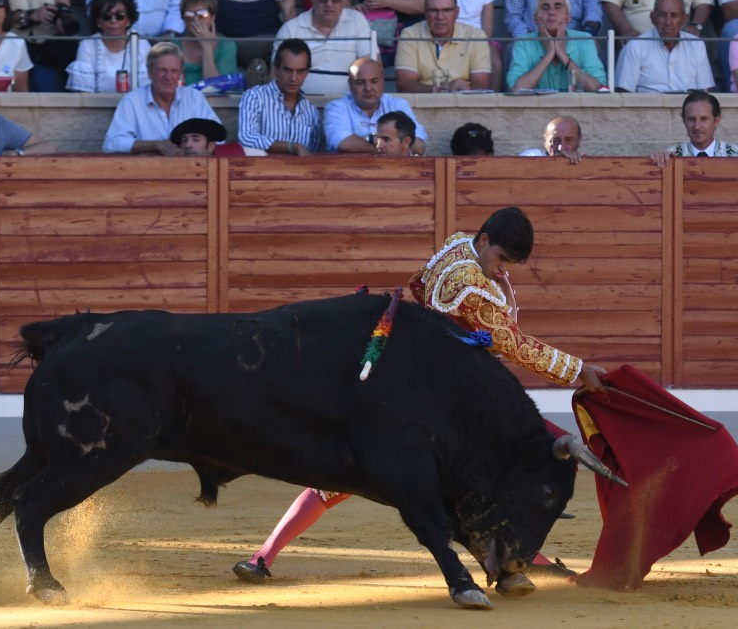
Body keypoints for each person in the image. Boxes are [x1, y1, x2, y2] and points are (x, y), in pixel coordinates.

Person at [231, 206, 608, 585]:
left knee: (341, 476)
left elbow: (419, 284)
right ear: (484, 240)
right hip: (446, 398)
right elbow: (512, 344)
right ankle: (517, 561)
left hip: (408, 376)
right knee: (508, 462)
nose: (502, 269)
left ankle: (263, 556)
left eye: (510, 264)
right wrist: (577, 370)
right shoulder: (473, 285)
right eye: (501, 259)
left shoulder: (457, 245)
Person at [102, 42, 222, 154]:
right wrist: (156, 145)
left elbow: (219, 139)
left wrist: (190, 150)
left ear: (181, 74)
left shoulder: (193, 97)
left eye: (174, 71)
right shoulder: (133, 100)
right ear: (149, 72)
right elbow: (111, 144)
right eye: (162, 70)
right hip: (149, 171)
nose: (168, 77)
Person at [274, 0, 372, 96]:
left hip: (348, 107)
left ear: (344, 1)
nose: (329, 4)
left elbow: (372, 69)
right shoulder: (290, 29)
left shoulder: (357, 21)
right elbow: (276, 77)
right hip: (300, 105)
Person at [0, 0, 75, 92]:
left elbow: (65, 8)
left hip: (50, 41)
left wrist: (59, 20)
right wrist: (30, 15)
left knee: (68, 47)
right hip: (14, 39)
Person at [395, 0, 491, 92]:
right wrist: (442, 89)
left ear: (456, 12)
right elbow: (404, 84)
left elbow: (482, 85)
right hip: (422, 104)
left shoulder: (476, 36)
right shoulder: (410, 34)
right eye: (434, 10)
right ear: (425, 13)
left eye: (446, 10)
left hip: (463, 103)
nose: (440, 17)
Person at [507, 0, 606, 92]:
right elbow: (516, 90)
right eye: (545, 8)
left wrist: (562, 55)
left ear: (568, 18)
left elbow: (600, 88)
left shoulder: (584, 40)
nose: (551, 12)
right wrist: (549, 54)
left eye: (558, 7)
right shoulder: (523, 42)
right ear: (536, 18)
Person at [615, 0, 715, 93]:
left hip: (689, 107)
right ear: (653, 18)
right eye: (662, 15)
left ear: (683, 19)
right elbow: (623, 94)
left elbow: (705, 91)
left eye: (674, 15)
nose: (668, 22)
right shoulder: (635, 47)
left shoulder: (696, 45)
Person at [323, 56, 427, 154]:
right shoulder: (336, 108)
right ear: (350, 84)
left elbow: (418, 146)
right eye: (360, 82)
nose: (368, 88)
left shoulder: (398, 105)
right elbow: (344, 144)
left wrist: (367, 142)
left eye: (374, 81)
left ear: (383, 81)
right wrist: (389, 148)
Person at [649, 90, 738, 168]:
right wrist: (656, 159)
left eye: (704, 119)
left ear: (716, 121)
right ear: (684, 121)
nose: (697, 126)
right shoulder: (670, 156)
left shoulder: (736, 154)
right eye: (691, 119)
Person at [237, 38, 321, 155]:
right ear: (276, 69)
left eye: (300, 71)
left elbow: (311, 152)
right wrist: (292, 147)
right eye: (288, 70)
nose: (293, 78)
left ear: (307, 73)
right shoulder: (255, 97)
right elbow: (247, 138)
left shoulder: (311, 112)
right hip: (261, 171)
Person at [66, 0, 151, 93]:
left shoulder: (142, 45)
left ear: (128, 20)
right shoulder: (87, 45)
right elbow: (84, 94)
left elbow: (147, 91)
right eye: (107, 16)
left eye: (120, 16)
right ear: (98, 21)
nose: (113, 20)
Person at [444, 0, 503, 92]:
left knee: (495, 61)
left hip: (479, 39)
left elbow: (488, 28)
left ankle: (493, 99)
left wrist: (478, 44)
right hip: (453, 38)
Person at [176, 0, 239, 86]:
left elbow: (215, 88)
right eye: (189, 16)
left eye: (202, 15)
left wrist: (206, 47)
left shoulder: (227, 46)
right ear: (183, 19)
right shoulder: (173, 47)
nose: (195, 20)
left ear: (213, 17)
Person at [520, 115, 585, 164]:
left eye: (568, 140)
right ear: (545, 141)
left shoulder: (586, 164)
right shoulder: (530, 157)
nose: (561, 147)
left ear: (578, 141)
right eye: (555, 141)